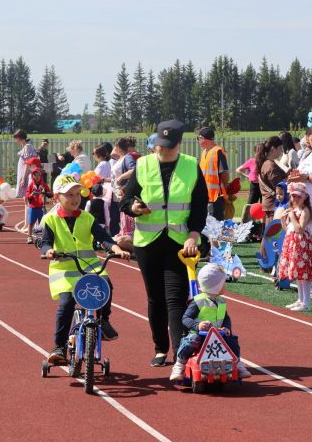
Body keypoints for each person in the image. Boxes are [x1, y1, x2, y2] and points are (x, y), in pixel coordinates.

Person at [121, 119, 208, 367]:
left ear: (179, 144)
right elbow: (126, 202)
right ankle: (160, 348)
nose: (164, 150)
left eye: (170, 146)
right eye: (161, 145)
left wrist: (194, 234)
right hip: (147, 243)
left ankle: (182, 352)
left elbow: (200, 205)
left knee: (176, 298)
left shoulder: (191, 166)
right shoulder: (143, 165)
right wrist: (135, 208)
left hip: (179, 243)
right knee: (155, 297)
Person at [42, 174, 129, 363]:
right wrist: (49, 251)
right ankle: (59, 347)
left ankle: (104, 320)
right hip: (64, 272)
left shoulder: (87, 218)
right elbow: (45, 242)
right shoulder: (50, 220)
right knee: (66, 305)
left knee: (106, 284)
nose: (75, 199)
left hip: (90, 267)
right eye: (69, 195)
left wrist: (115, 248)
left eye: (77, 194)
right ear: (57, 197)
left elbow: (103, 238)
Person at [168, 263, 251, 381]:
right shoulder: (198, 301)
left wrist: (226, 328)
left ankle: (237, 363)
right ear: (216, 287)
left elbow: (226, 318)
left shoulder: (221, 301)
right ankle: (179, 364)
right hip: (199, 334)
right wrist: (198, 326)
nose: (225, 286)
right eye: (223, 283)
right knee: (190, 341)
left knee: (232, 340)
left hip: (218, 334)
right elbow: (185, 319)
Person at [280, 182, 312, 312]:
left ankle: (306, 302)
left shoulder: (304, 210)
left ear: (305, 197)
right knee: (298, 273)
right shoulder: (294, 210)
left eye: (298, 197)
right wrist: (283, 219)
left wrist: (291, 217)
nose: (294, 199)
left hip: (302, 245)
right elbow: (288, 229)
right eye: (293, 196)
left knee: (304, 274)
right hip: (293, 244)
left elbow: (300, 229)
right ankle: (300, 299)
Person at [198, 127, 229, 220]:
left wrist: (226, 188)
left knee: (216, 225)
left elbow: (224, 173)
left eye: (198, 138)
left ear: (203, 139)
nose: (198, 141)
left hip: (216, 196)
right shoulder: (204, 152)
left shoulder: (217, 152)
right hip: (206, 195)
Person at [256, 136, 288, 225]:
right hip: (274, 206)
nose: (281, 151)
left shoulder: (266, 163)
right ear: (273, 149)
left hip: (270, 205)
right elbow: (279, 186)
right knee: (273, 236)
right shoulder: (270, 166)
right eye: (280, 148)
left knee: (270, 236)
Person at [109, 137, 137, 236]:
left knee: (127, 220)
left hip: (124, 194)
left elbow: (134, 170)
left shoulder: (127, 157)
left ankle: (128, 242)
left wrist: (121, 177)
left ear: (117, 147)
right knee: (123, 220)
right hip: (119, 194)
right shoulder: (121, 158)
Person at [25, 168, 51, 243]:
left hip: (41, 207)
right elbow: (27, 195)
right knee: (31, 222)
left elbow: (49, 192)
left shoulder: (44, 184)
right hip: (33, 207)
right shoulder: (31, 185)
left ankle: (44, 237)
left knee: (43, 223)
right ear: (33, 176)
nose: (37, 177)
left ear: (40, 175)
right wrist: (31, 195)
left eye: (38, 175)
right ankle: (29, 237)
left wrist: (48, 193)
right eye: (35, 175)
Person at [15, 130, 37, 198]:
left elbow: (28, 163)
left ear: (20, 138)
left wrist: (23, 178)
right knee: (26, 198)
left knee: (27, 197)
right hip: (25, 174)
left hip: (26, 174)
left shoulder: (27, 147)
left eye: (16, 138)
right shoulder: (26, 146)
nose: (15, 140)